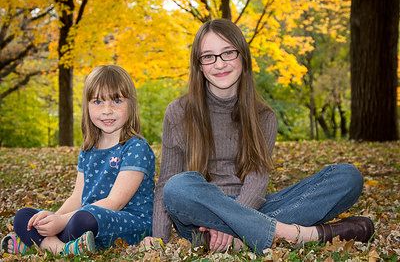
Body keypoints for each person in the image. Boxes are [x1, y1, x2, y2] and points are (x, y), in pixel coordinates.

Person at [143, 19, 374, 254]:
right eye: (209, 56)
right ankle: (295, 235)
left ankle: (245, 237)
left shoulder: (263, 115)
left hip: (255, 209)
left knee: (347, 176)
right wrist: (158, 239)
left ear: (243, 57)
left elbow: (257, 179)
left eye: (228, 53)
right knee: (178, 187)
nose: (219, 64)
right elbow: (165, 185)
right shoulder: (179, 111)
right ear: (199, 65)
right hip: (200, 221)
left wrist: (232, 224)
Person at [0, 65, 155, 256]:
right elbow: (77, 197)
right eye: (97, 102)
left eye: (116, 100)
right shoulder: (88, 148)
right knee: (25, 216)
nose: (107, 110)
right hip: (82, 218)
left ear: (130, 104)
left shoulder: (135, 147)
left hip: (126, 222)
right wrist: (55, 218)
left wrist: (62, 221)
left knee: (83, 220)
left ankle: (38, 243)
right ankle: (62, 248)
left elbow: (115, 202)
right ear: (87, 106)